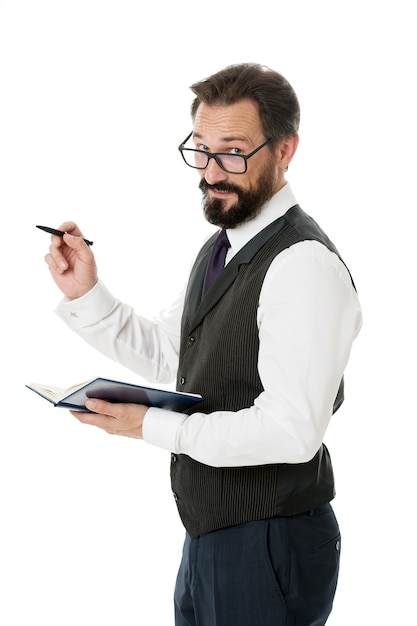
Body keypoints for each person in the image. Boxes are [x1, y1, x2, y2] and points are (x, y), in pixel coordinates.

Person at [43, 63, 362, 626]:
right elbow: (174, 355)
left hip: (270, 543)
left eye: (232, 152)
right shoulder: (223, 247)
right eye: (201, 150)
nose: (212, 172)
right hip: (213, 535)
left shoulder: (302, 265)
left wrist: (149, 426)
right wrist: (88, 293)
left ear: (285, 150)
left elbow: (292, 431)